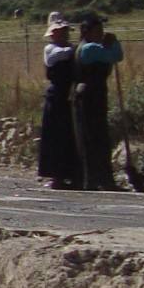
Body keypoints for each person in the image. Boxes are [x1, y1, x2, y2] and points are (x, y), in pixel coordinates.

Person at [70, 14, 124, 191]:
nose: (102, 33)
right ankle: (97, 179)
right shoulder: (90, 48)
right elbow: (116, 55)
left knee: (94, 137)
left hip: (91, 94)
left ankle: (96, 178)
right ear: (87, 32)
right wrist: (114, 42)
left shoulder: (86, 47)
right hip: (90, 96)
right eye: (98, 30)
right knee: (94, 137)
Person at [37, 12, 80, 189]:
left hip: (69, 96)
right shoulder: (51, 49)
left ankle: (72, 174)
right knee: (55, 137)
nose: (63, 34)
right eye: (59, 31)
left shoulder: (71, 49)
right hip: (56, 97)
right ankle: (56, 176)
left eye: (65, 31)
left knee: (69, 136)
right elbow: (59, 56)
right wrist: (74, 49)